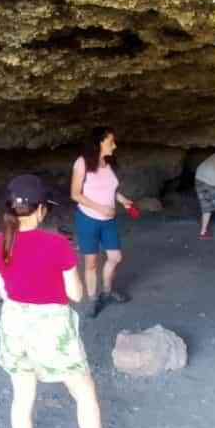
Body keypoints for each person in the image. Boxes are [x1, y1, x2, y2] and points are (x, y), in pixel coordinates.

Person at [0, 174, 129, 428]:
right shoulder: (56, 244)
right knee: (84, 393)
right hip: (51, 326)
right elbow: (76, 294)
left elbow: (5, 292)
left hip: (14, 325)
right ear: (40, 210)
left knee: (22, 398)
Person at [70, 127, 134, 318]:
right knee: (91, 264)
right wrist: (100, 208)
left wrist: (122, 199)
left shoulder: (109, 162)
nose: (114, 145)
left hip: (109, 220)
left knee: (115, 257)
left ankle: (106, 292)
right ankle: (92, 300)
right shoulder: (82, 163)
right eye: (110, 142)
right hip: (88, 220)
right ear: (100, 143)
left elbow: (110, 189)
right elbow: (75, 194)